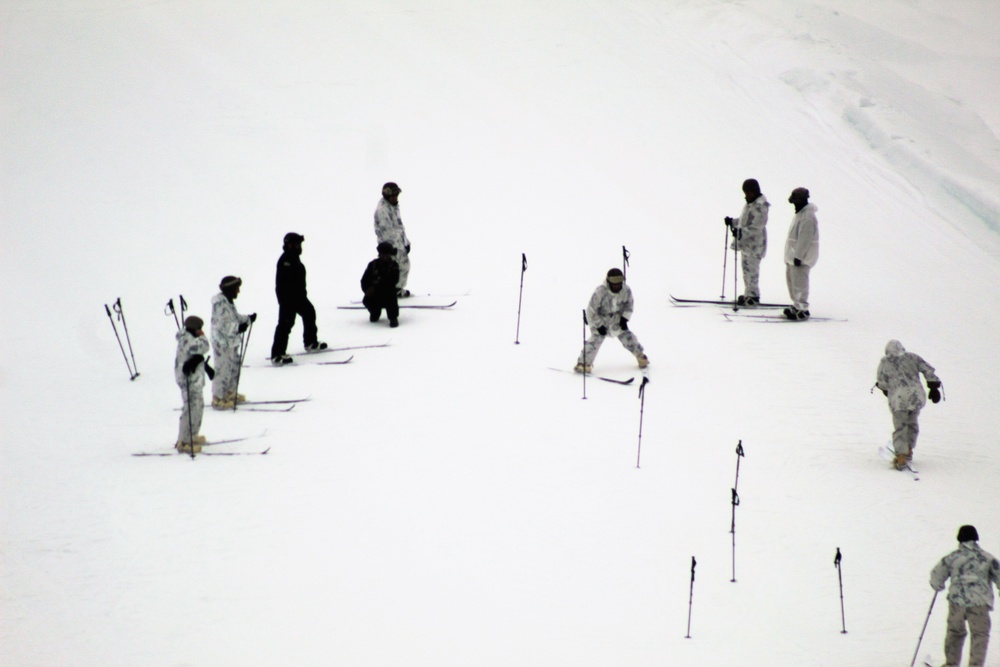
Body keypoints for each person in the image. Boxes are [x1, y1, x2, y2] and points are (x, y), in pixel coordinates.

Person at [929, 525, 1000, 667]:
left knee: (955, 632)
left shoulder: (952, 557)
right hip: (980, 602)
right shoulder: (988, 558)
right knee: (979, 635)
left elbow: (936, 575)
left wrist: (938, 585)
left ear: (959, 539)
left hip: (957, 602)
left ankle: (951, 663)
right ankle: (975, 665)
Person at [875, 340, 942, 469]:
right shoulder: (913, 357)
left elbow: (882, 382)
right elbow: (928, 370)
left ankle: (901, 456)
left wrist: (886, 389)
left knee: (901, 426)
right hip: (916, 398)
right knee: (912, 423)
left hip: (898, 399)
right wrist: (933, 386)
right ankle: (909, 449)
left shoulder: (885, 361)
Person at [574, 268, 649, 373]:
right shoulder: (600, 292)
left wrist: (624, 318)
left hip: (616, 320)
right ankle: (583, 363)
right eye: (614, 284)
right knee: (595, 341)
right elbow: (591, 310)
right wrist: (599, 325)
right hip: (600, 320)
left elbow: (629, 305)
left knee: (628, 338)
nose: (617, 286)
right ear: (608, 282)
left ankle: (641, 356)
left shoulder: (626, 291)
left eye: (619, 283)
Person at [270, 232, 326, 365]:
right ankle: (277, 354)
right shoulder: (286, 261)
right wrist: (285, 301)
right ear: (289, 245)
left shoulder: (294, 258)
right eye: (297, 244)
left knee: (309, 312)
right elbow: (284, 284)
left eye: (300, 244)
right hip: (288, 299)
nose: (299, 247)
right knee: (285, 324)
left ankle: (310, 342)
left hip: (299, 297)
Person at [210, 276, 256, 408]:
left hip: (232, 342)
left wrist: (247, 319)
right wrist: (237, 328)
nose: (238, 291)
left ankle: (229, 392)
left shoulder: (228, 302)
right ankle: (218, 398)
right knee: (223, 370)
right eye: (237, 288)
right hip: (222, 343)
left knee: (234, 368)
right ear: (230, 289)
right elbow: (222, 325)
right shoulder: (220, 304)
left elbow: (234, 318)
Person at [724, 178, 769, 306]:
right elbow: (745, 221)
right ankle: (748, 293)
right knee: (746, 270)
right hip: (747, 244)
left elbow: (756, 227)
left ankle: (753, 296)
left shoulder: (760, 206)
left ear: (755, 191)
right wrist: (733, 222)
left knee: (752, 271)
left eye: (749, 192)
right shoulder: (751, 204)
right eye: (745, 192)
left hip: (755, 245)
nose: (746, 195)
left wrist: (741, 232)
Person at [175, 315, 214, 453]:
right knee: (191, 408)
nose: (201, 331)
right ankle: (185, 440)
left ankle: (192, 435)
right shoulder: (188, 339)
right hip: (188, 379)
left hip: (194, 379)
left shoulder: (190, 339)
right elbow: (204, 347)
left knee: (197, 406)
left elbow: (197, 356)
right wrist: (203, 336)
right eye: (199, 328)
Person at [782, 187, 819, 320]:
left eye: (795, 202)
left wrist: (798, 255)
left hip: (801, 258)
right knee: (793, 281)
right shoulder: (801, 214)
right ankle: (797, 305)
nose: (794, 205)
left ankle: (802, 307)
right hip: (794, 256)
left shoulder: (807, 217)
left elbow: (805, 238)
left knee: (800, 282)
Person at [373, 182, 412, 297]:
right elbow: (386, 231)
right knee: (391, 269)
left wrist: (406, 242)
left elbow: (399, 226)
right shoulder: (382, 210)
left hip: (399, 244)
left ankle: (397, 289)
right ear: (387, 195)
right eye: (393, 195)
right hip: (389, 246)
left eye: (397, 195)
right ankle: (389, 290)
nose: (396, 198)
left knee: (404, 266)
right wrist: (391, 248)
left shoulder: (394, 207)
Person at [361, 241, 401, 328]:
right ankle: (375, 312)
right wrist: (367, 290)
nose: (385, 257)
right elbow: (364, 280)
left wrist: (380, 282)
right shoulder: (372, 265)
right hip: (375, 293)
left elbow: (394, 280)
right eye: (383, 254)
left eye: (387, 254)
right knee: (366, 300)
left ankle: (393, 317)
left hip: (388, 292)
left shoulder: (394, 265)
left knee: (391, 299)